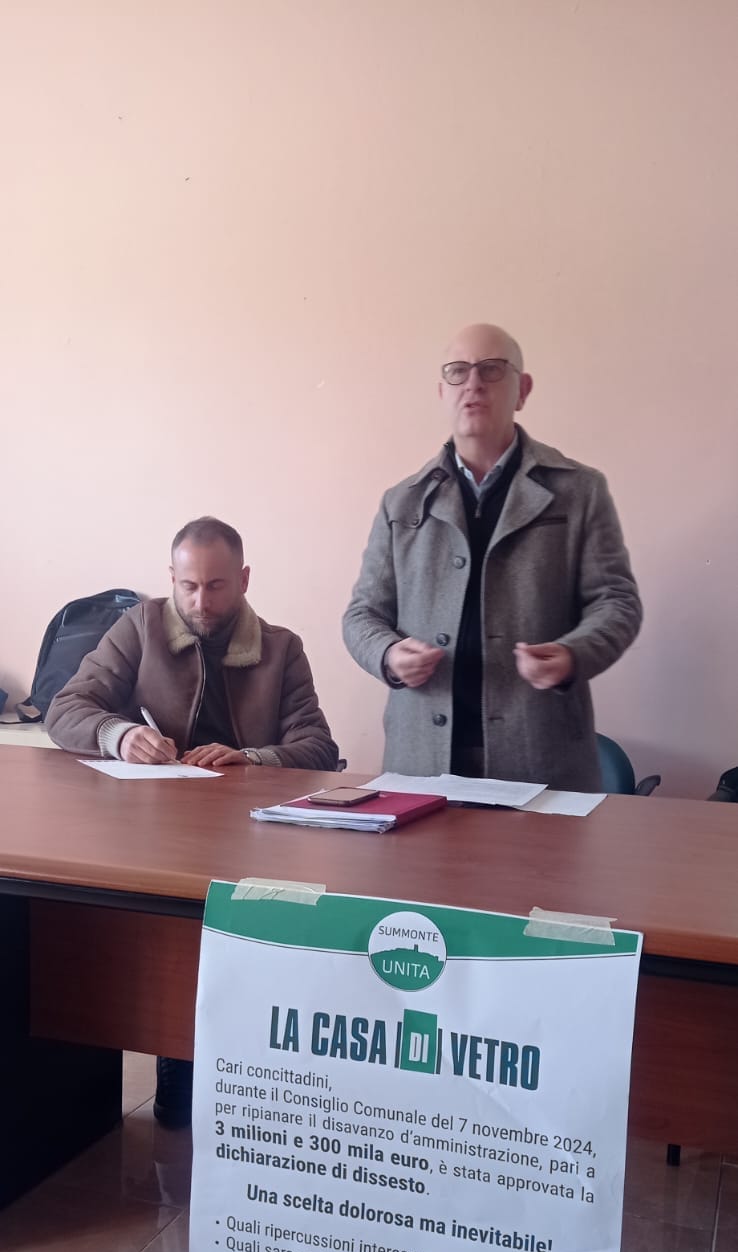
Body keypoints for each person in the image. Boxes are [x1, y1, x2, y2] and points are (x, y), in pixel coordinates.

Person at [47, 515, 338, 1127]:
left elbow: (317, 747)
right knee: (151, 943)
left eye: (217, 586)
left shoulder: (282, 648)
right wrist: (118, 734)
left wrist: (252, 757)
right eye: (189, 586)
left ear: (244, 579)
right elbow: (66, 708)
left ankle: (246, 1078)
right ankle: (175, 1059)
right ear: (171, 579)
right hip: (158, 832)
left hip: (250, 836)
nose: (201, 602)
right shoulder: (141, 627)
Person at [343, 324, 642, 791]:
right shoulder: (401, 501)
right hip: (421, 761)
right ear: (442, 392)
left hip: (542, 758)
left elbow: (616, 601)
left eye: (491, 369)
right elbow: (363, 614)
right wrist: (387, 654)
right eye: (458, 372)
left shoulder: (579, 490)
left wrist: (573, 654)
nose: (473, 384)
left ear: (523, 390)